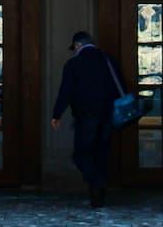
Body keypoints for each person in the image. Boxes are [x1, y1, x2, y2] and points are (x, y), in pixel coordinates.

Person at [51, 30, 125, 208]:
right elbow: (120, 86)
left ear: (77, 45)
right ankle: (97, 198)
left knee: (82, 154)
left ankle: (96, 182)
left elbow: (65, 92)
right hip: (108, 115)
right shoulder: (108, 61)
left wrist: (56, 114)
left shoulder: (74, 64)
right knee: (101, 154)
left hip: (86, 116)